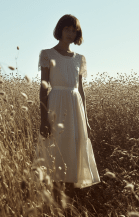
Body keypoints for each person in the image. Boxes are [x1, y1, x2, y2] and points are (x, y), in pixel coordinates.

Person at [34, 14, 101, 205]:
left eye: (74, 30)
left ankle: (68, 206)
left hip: (75, 109)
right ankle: (56, 203)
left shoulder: (80, 58)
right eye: (67, 29)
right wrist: (43, 119)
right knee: (56, 152)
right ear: (60, 30)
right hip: (55, 106)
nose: (71, 33)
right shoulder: (47, 54)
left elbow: (81, 90)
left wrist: (86, 120)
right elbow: (44, 86)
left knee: (74, 153)